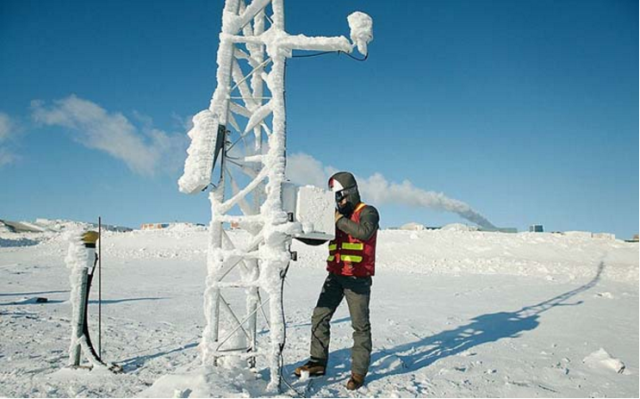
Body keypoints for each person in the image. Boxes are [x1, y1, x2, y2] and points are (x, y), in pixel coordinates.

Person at [295, 171, 380, 390]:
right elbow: (318, 239)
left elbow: (364, 232)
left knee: (360, 326)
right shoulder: (336, 215)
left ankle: (358, 373)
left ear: (351, 193)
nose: (339, 201)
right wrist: (295, 230)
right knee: (319, 316)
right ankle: (317, 362)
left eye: (341, 196)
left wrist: (338, 219)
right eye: (335, 197)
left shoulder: (367, 212)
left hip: (357, 280)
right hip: (335, 276)